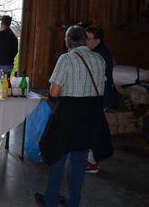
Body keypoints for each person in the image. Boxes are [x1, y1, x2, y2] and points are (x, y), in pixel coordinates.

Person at [36, 25, 113, 207]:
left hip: (68, 115)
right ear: (85, 40)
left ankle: (51, 200)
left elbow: (54, 93)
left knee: (57, 157)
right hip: (90, 116)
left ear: (68, 40)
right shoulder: (99, 59)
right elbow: (101, 88)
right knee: (78, 162)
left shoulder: (66, 58)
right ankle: (72, 202)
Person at [85, 25, 115, 173]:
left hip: (101, 96)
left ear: (97, 40)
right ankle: (91, 159)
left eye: (89, 38)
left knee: (92, 129)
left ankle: (92, 162)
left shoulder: (99, 55)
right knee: (92, 128)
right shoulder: (98, 51)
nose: (86, 41)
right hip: (100, 95)